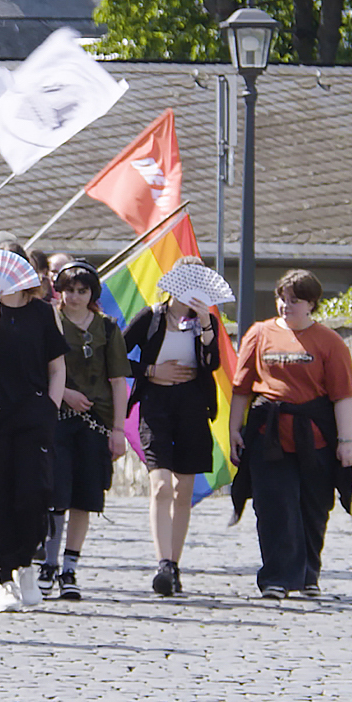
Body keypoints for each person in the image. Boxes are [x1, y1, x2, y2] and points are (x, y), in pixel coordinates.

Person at [229, 269, 352, 600]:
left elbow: (343, 395)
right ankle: (276, 577)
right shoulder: (259, 334)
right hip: (268, 433)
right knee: (273, 504)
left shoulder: (330, 342)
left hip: (315, 437)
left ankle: (308, 571)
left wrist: (346, 442)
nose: (286, 306)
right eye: (281, 299)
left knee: (313, 507)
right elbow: (241, 388)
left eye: (294, 301)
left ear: (312, 304)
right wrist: (234, 431)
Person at [0, 243, 68, 614]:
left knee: (34, 493)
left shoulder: (43, 312)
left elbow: (57, 367)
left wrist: (50, 408)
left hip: (33, 416)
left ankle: (25, 564)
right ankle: (5, 576)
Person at [123, 256, 223, 597]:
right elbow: (117, 355)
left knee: (183, 490)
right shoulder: (151, 317)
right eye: (186, 280)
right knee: (161, 485)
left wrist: (208, 325)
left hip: (193, 407)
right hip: (156, 406)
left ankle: (174, 564)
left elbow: (213, 363)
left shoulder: (206, 322)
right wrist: (151, 371)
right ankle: (162, 562)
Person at [40, 261, 128, 600]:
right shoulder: (50, 322)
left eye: (82, 291)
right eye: (69, 290)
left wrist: (118, 429)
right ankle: (47, 562)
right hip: (57, 420)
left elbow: (118, 380)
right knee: (55, 496)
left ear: (92, 293)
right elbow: (37, 369)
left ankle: (70, 567)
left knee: (85, 497)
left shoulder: (107, 328)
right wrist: (65, 394)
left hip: (97, 423)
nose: (74, 297)